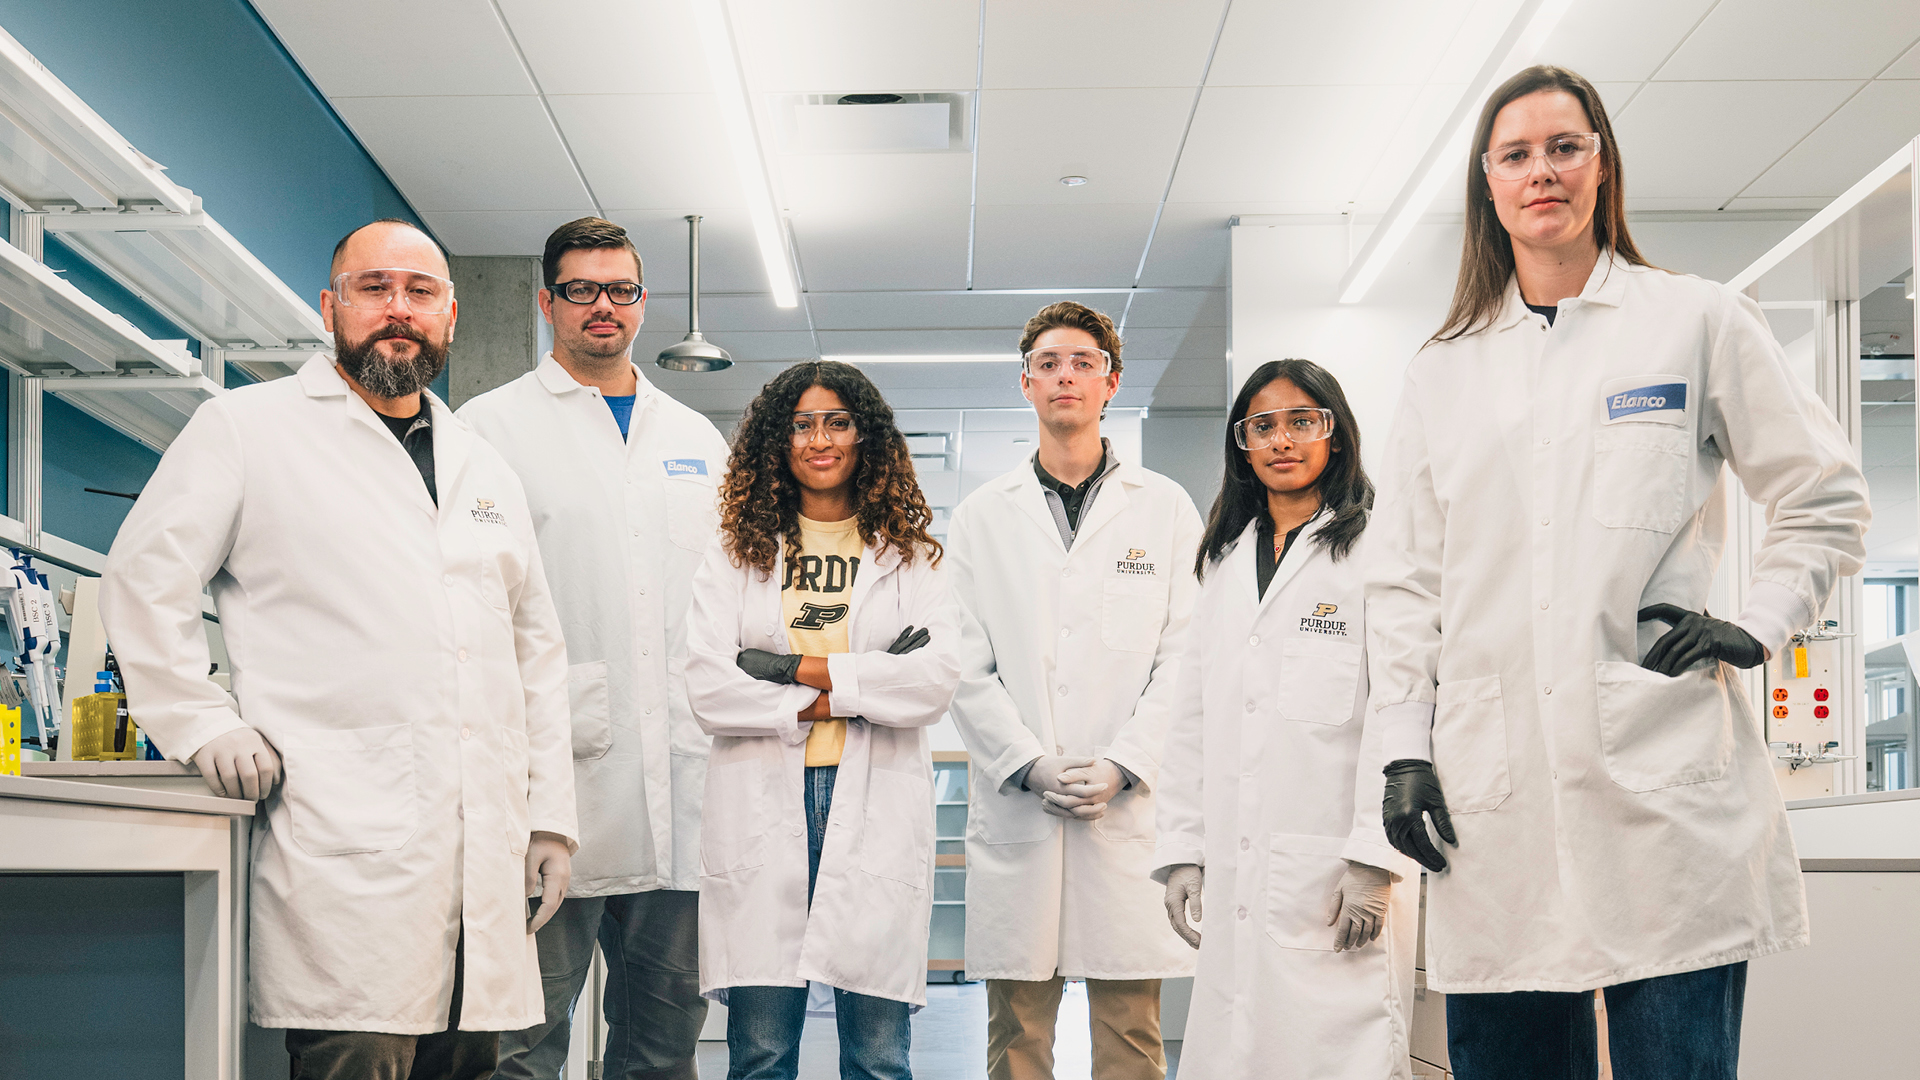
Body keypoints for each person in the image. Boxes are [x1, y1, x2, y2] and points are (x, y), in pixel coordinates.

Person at [1367, 66, 1871, 1080]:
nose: (1542, 171)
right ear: (1487, 183)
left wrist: (1760, 622)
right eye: (1517, 154)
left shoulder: (1695, 321)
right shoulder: (1444, 368)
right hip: (1494, 805)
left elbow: (1825, 495)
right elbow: (1407, 584)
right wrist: (1400, 752)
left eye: (1566, 146)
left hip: (1663, 800)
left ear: (1603, 165)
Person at [100, 218, 578, 1080]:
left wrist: (550, 819)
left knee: (473, 1061)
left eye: (421, 292)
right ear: (331, 306)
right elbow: (144, 578)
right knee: (357, 1048)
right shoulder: (248, 429)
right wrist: (203, 722)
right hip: (345, 851)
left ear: (452, 316)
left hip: (486, 866)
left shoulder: (484, 467)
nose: (399, 309)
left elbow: (533, 653)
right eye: (374, 288)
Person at [460, 217, 727, 1080]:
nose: (601, 306)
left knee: (662, 1047)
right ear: (547, 304)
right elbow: (468, 606)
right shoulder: (488, 428)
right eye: (580, 290)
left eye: (620, 290)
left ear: (644, 305)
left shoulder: (697, 441)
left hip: (683, 787)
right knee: (522, 1046)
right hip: (552, 792)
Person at [683, 360, 959, 1080]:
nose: (819, 438)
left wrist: (784, 669)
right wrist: (866, 681)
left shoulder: (912, 556)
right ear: (777, 440)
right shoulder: (736, 553)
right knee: (763, 1052)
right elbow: (709, 688)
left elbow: (931, 682)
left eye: (836, 420)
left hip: (872, 798)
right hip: (762, 800)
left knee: (876, 1054)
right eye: (801, 423)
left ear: (865, 436)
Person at [945, 301, 1200, 1080]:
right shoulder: (984, 515)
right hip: (1024, 801)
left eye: (1083, 362)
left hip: (1124, 808)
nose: (1065, 377)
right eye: (1048, 364)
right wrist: (1028, 762)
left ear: (1111, 381)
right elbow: (962, 659)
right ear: (1026, 384)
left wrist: (1125, 762)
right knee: (1017, 1034)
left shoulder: (1164, 509)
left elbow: (1186, 656)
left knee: (1130, 1033)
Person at [1154, 359, 1417, 1079]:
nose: (1282, 440)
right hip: (1241, 868)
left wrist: (1375, 855)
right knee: (1234, 1052)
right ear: (1242, 445)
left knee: (1341, 1053)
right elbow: (1193, 716)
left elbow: (1403, 705)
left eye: (1303, 420)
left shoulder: (1376, 550)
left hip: (1334, 871)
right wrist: (1182, 848)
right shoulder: (1224, 559)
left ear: (1336, 432)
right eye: (1262, 426)